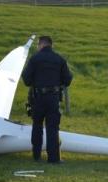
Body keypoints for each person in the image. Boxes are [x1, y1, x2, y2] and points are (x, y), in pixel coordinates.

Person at [21, 35, 73, 163]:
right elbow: (68, 79)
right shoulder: (59, 59)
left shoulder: (34, 59)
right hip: (53, 98)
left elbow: (26, 79)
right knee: (52, 127)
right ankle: (53, 159)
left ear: (40, 45)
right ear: (51, 45)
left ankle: (36, 155)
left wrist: (36, 82)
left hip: (37, 97)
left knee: (37, 125)